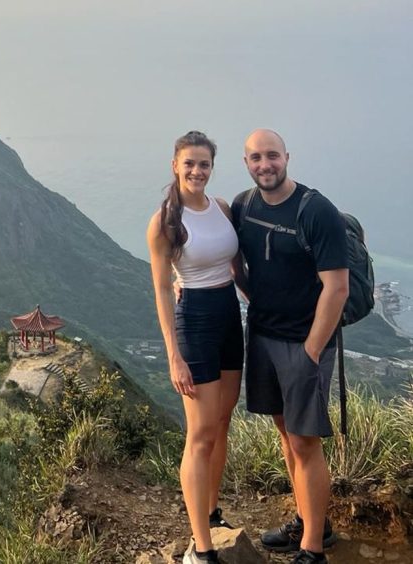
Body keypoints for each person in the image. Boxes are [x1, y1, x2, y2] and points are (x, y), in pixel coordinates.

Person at [232, 129, 348, 564]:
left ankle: (313, 549)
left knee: (304, 442)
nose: (266, 165)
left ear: (287, 158)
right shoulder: (244, 205)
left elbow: (336, 288)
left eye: (273, 156)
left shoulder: (316, 210)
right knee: (286, 435)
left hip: (304, 343)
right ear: (246, 162)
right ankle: (310, 519)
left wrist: (312, 351)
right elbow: (237, 261)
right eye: (256, 158)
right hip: (262, 335)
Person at [147, 131, 244, 564]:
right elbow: (163, 291)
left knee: (222, 421)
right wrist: (174, 355)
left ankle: (212, 511)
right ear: (175, 165)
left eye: (203, 164)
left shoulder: (221, 208)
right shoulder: (166, 222)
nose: (197, 171)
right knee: (200, 434)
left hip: (228, 315)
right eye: (189, 163)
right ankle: (201, 548)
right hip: (196, 321)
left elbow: (235, 267)